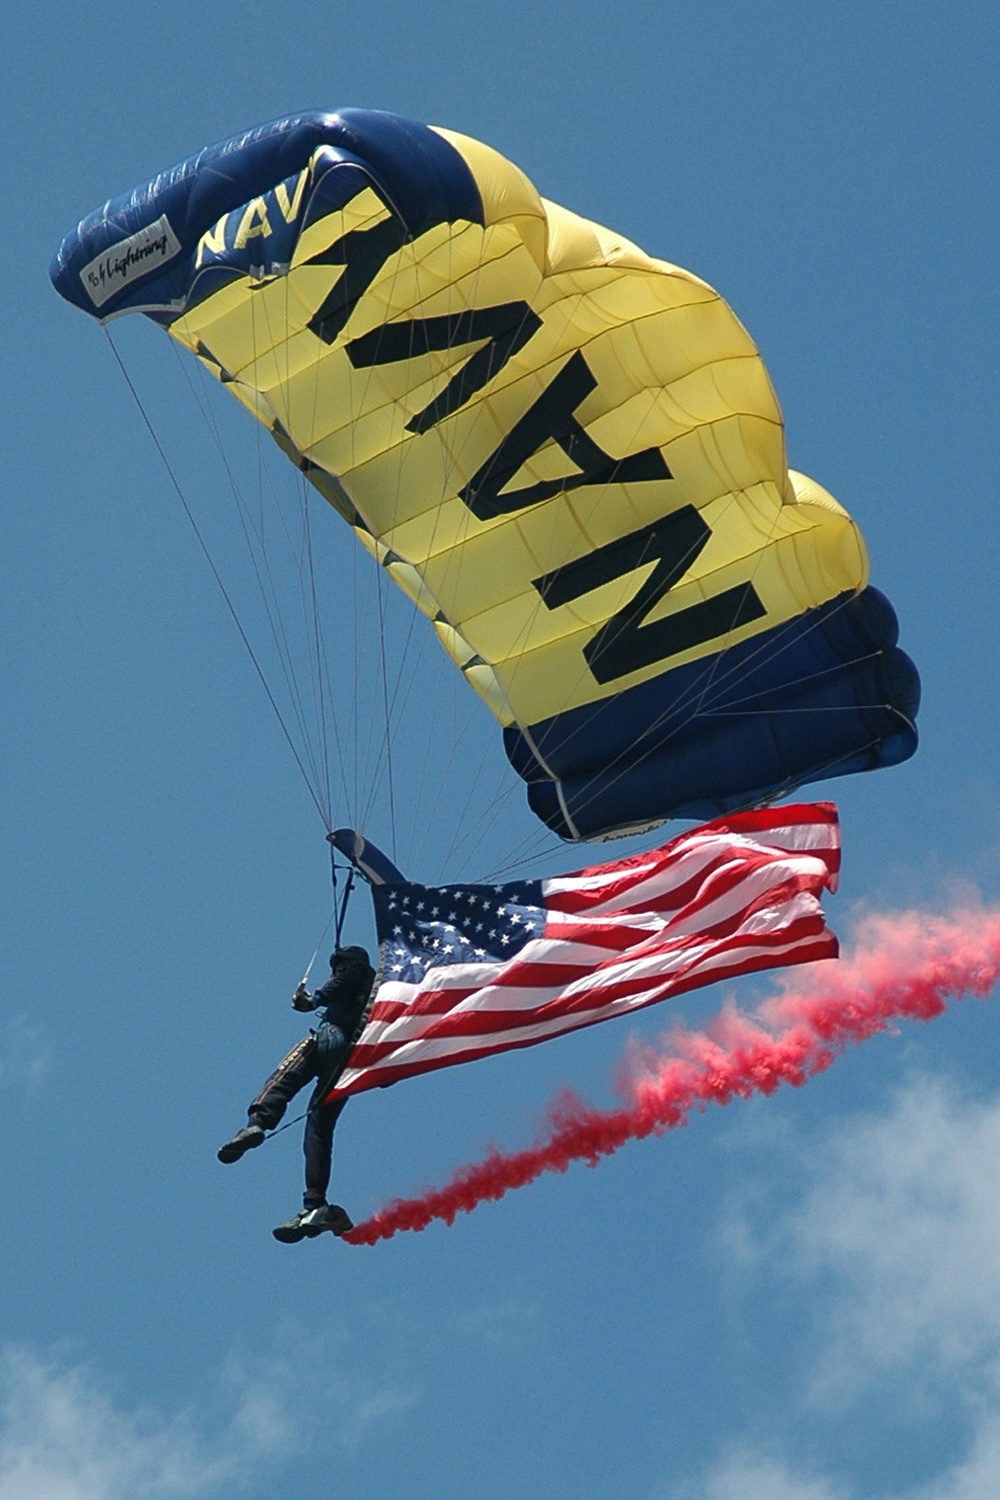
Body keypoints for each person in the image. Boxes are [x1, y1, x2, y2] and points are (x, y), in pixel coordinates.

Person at [217, 945, 376, 1243]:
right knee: (319, 1127)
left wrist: (313, 999)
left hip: (331, 1038)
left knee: (284, 1079)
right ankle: (316, 1205)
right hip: (349, 1064)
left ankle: (258, 1124)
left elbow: (340, 981)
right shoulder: (378, 995)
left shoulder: (356, 970)